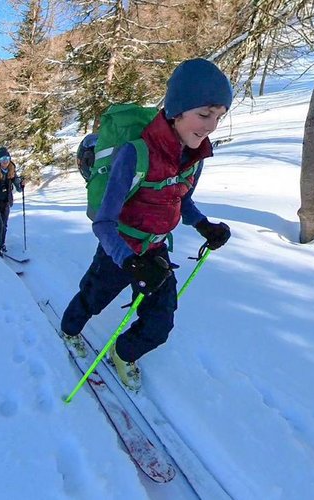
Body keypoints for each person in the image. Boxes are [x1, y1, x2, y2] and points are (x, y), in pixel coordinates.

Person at [59, 58, 234, 391]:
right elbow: (104, 223)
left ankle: (123, 354)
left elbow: (180, 199)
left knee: (160, 323)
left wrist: (204, 226)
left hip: (155, 253)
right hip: (120, 251)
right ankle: (68, 329)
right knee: (91, 300)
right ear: (177, 111)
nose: (211, 126)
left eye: (219, 116)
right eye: (204, 114)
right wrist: (130, 262)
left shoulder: (193, 157)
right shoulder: (135, 154)